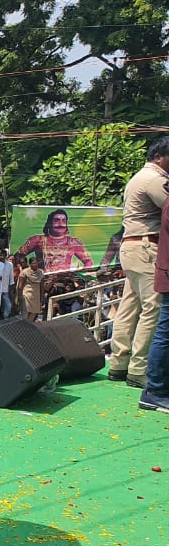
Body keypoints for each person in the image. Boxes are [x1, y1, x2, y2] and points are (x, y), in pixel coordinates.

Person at [109, 137, 169, 388]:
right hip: (146, 246)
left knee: (129, 306)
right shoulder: (156, 180)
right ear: (159, 157)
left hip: (132, 245)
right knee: (153, 308)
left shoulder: (138, 177)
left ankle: (119, 363)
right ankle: (139, 369)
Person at [14, 209, 94, 274]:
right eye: (56, 220)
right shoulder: (37, 240)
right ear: (49, 223)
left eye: (63, 221)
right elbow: (18, 255)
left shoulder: (74, 242)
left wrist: (76, 275)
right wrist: (28, 271)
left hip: (65, 282)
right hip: (42, 280)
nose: (60, 224)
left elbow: (88, 262)